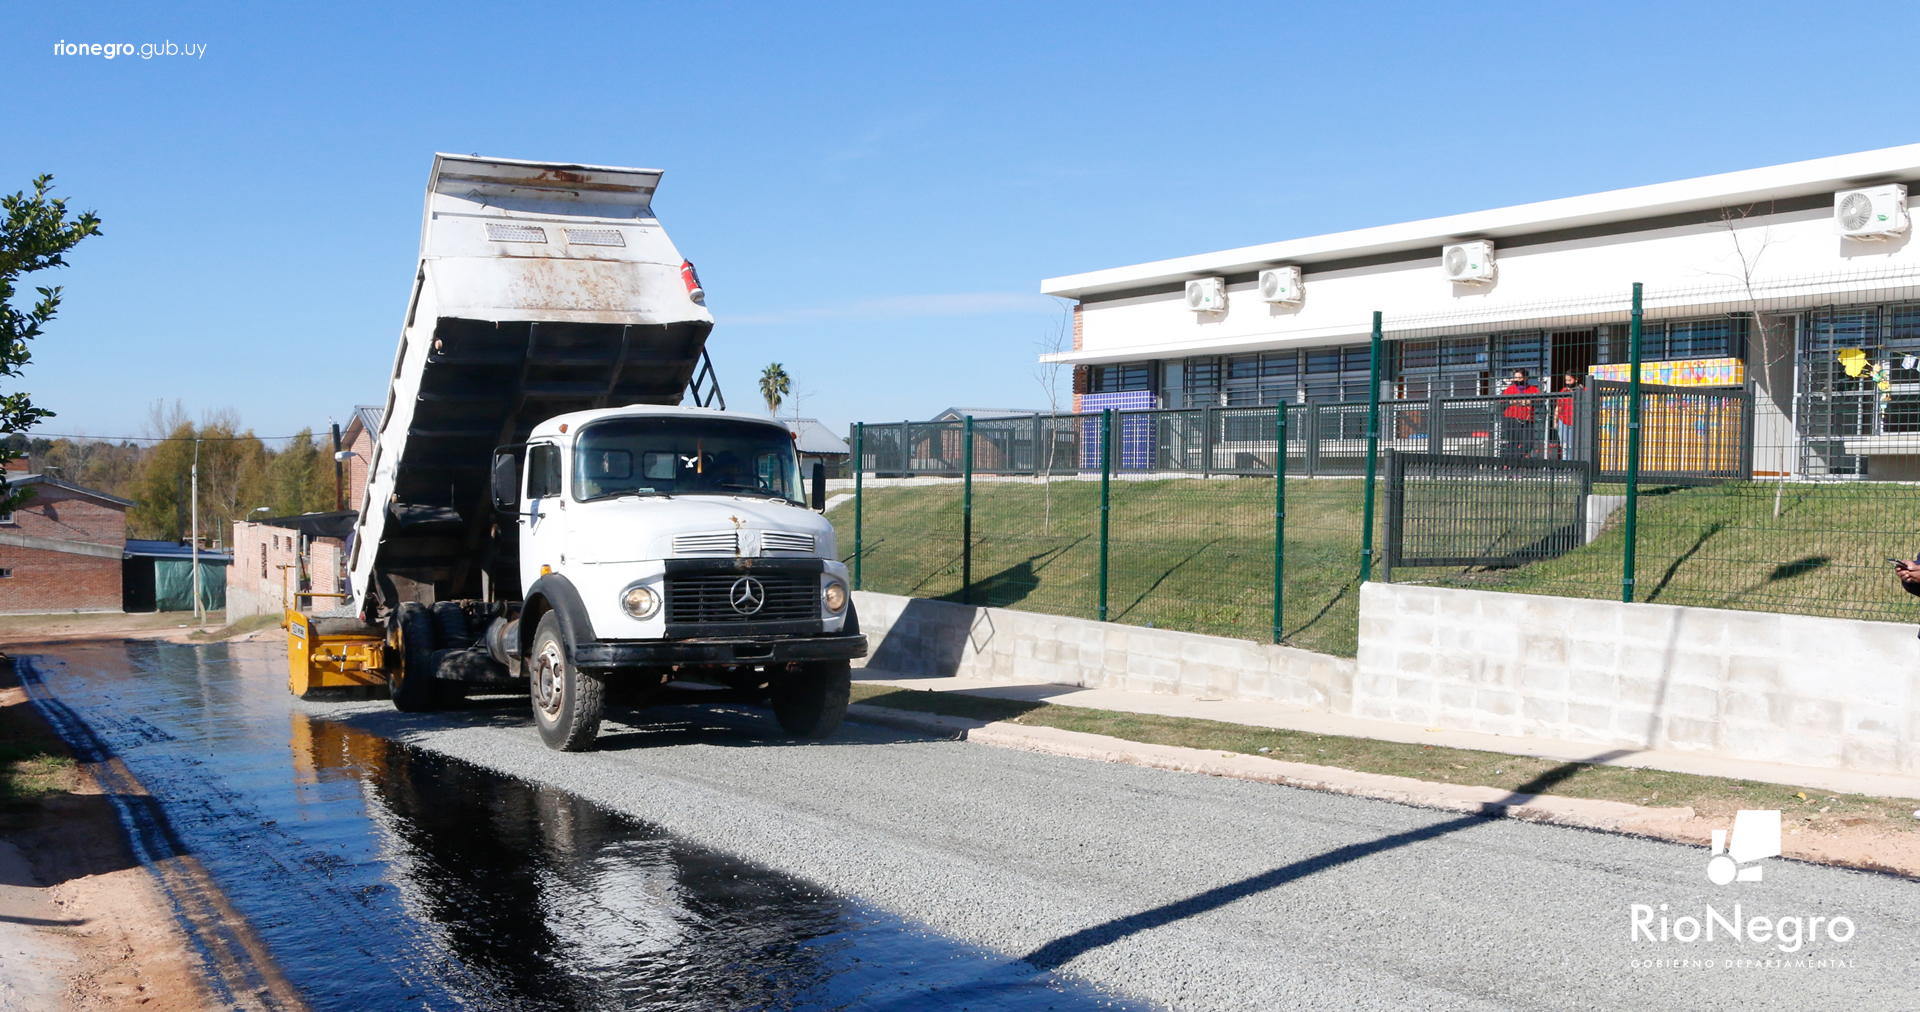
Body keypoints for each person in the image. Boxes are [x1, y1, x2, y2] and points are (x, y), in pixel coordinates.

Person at [1499, 368, 1539, 458]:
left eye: (1519, 378)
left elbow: (1540, 403)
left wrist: (1529, 402)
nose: (1517, 380)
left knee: (1528, 444)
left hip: (1527, 420)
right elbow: (1501, 405)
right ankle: (1512, 464)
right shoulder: (1509, 390)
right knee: (1513, 443)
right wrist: (1511, 402)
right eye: (1515, 378)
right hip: (1511, 419)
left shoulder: (1533, 389)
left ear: (1526, 378)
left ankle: (1517, 459)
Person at [1555, 372, 1581, 459]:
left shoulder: (1583, 390)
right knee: (1564, 445)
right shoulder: (1563, 391)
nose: (1567, 382)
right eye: (1566, 380)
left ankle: (1575, 465)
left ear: (1576, 379)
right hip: (1563, 420)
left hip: (1577, 422)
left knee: (1573, 445)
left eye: (1569, 380)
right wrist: (1555, 421)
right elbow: (1558, 406)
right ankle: (1567, 465)